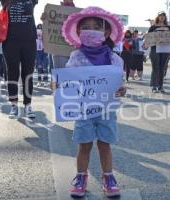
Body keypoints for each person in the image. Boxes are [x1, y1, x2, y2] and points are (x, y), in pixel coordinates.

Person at [61, 6, 125, 198]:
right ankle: (81, 177)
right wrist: (60, 85)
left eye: (95, 27)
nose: (90, 30)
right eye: (85, 27)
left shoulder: (115, 59)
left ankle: (108, 177)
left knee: (105, 145)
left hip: (106, 110)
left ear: (105, 32)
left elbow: (118, 85)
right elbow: (68, 82)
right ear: (79, 32)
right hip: (84, 110)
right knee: (84, 145)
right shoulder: (75, 57)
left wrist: (121, 89)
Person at [0, 0, 38, 118]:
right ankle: (14, 105)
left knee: (28, 74)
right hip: (10, 42)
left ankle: (28, 105)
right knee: (12, 73)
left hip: (29, 41)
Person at [146, 11, 170, 93]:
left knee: (162, 68)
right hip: (155, 49)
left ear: (165, 17)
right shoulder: (153, 27)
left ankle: (160, 86)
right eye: (160, 15)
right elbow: (148, 38)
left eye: (163, 15)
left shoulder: (169, 27)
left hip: (165, 50)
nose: (162, 17)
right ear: (158, 17)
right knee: (155, 67)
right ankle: (154, 86)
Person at [41, 0, 75, 69]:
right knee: (60, 75)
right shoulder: (54, 10)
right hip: (59, 51)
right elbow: (49, 27)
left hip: (73, 50)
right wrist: (45, 20)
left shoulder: (79, 12)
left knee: (73, 77)